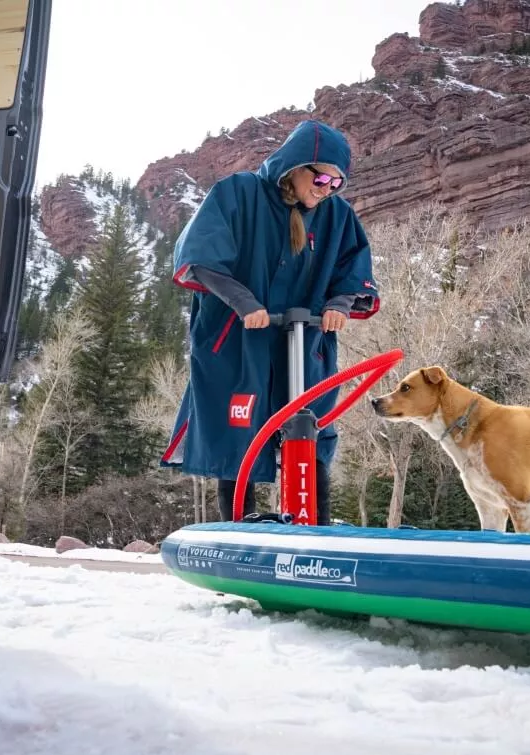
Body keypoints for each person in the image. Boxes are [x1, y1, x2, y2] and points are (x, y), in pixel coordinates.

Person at [160, 119, 381, 524]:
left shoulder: (337, 216)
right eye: (321, 179)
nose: (326, 190)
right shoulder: (239, 194)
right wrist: (244, 302)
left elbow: (353, 266)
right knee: (238, 432)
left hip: (304, 341)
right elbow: (201, 256)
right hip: (240, 339)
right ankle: (237, 529)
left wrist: (341, 302)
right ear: (296, 166)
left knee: (310, 431)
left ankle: (316, 527)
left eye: (336, 184)